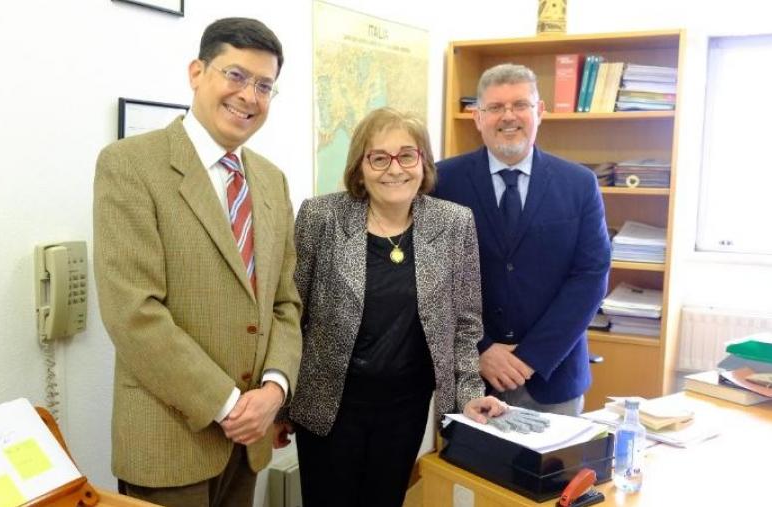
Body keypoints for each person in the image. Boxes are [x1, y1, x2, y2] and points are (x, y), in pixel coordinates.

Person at [93, 17, 301, 507]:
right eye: (235, 75)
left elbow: (285, 302)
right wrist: (229, 406)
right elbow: (134, 313)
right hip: (169, 442)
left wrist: (274, 390)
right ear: (196, 72)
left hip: (249, 443)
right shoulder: (129, 166)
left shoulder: (271, 181)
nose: (249, 96)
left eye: (264, 85)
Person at [278, 107, 506, 507]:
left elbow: (466, 323)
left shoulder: (454, 223)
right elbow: (291, 313)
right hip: (330, 407)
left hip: (405, 408)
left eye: (406, 155)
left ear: (423, 162)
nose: (394, 169)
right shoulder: (321, 216)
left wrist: (468, 392)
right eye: (378, 157)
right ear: (360, 168)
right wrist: (279, 403)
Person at [433, 63, 611, 416]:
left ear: (540, 112)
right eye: (495, 107)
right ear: (477, 117)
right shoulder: (442, 182)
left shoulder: (579, 184)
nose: (508, 116)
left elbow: (591, 277)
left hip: (554, 378)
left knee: (555, 472)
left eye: (520, 105)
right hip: (470, 378)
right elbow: (434, 278)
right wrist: (480, 350)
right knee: (468, 471)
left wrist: (531, 358)